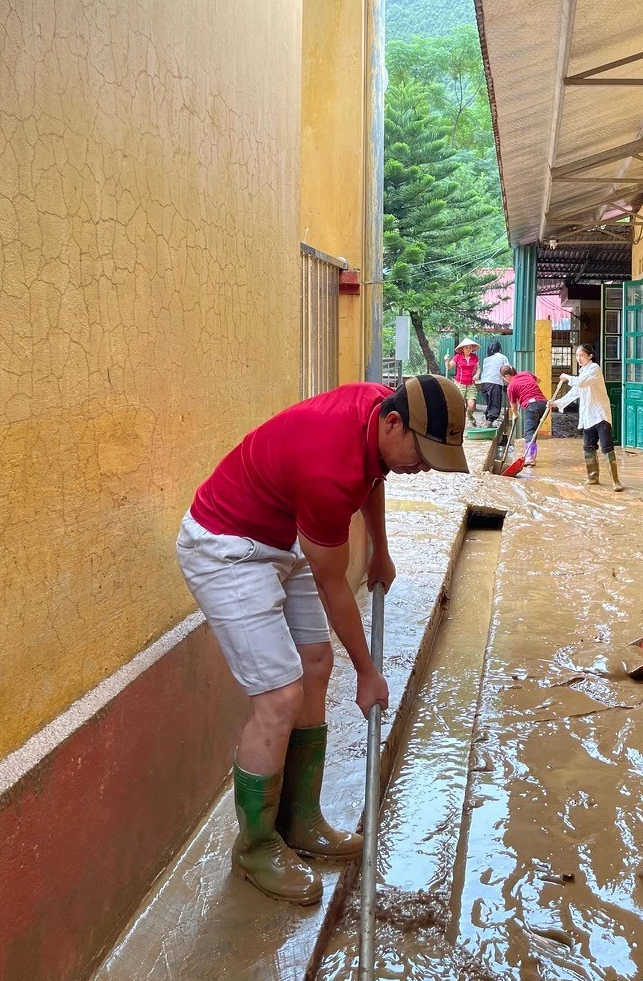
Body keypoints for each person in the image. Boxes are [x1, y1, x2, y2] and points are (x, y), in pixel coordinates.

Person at [176, 375, 468, 904]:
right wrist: (368, 672)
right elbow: (335, 587)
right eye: (422, 454)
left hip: (278, 532)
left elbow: (374, 476)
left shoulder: (378, 408)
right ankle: (255, 847)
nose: (423, 467)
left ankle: (301, 818)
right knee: (280, 696)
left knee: (315, 662)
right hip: (225, 545)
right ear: (394, 423)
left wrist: (380, 549)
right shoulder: (326, 472)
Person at [551, 343, 622, 492]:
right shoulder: (582, 372)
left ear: (590, 356)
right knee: (588, 446)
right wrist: (556, 403)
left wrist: (567, 377)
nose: (579, 358)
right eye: (577, 356)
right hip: (588, 415)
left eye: (581, 355)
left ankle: (615, 481)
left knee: (607, 446)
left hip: (600, 414)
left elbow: (581, 383)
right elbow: (574, 393)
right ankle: (593, 477)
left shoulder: (595, 369)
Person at [500, 365, 548, 466]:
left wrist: (515, 415)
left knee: (530, 432)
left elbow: (513, 407)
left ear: (507, 376)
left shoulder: (511, 387)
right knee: (533, 431)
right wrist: (527, 387)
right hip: (544, 405)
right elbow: (538, 380)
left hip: (532, 406)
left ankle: (530, 457)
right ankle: (531, 454)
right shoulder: (526, 374)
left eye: (503, 377)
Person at [444, 338, 480, 426]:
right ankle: (459, 421)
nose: (468, 349)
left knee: (471, 405)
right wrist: (446, 360)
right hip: (460, 384)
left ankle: (469, 415)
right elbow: (448, 366)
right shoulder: (458, 357)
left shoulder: (474, 357)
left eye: (470, 347)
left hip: (471, 384)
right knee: (460, 404)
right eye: (466, 347)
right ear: (462, 349)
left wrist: (477, 374)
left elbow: (478, 368)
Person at [479, 339, 509, 426]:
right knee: (495, 403)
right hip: (495, 382)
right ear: (500, 349)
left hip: (484, 382)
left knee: (490, 402)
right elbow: (506, 371)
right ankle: (491, 420)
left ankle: (488, 418)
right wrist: (506, 384)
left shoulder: (486, 359)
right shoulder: (503, 357)